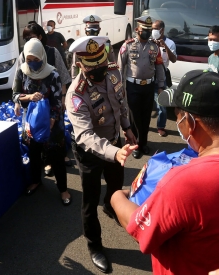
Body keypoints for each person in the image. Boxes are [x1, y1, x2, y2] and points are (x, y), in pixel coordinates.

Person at [111, 70, 219, 275]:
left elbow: (140, 230)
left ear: (190, 122)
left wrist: (118, 196)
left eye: (177, 116)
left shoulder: (185, 183)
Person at [66, 36, 138, 273]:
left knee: (117, 186)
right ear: (80, 65)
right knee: (89, 200)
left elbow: (121, 101)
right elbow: (85, 136)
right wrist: (115, 152)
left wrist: (127, 128)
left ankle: (111, 206)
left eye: (102, 64)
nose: (100, 70)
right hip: (91, 154)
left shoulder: (113, 72)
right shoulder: (76, 94)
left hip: (116, 143)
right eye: (93, 67)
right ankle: (94, 245)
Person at [12, 39, 71, 203]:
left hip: (52, 123)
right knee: (34, 154)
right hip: (31, 122)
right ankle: (36, 181)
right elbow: (15, 94)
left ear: (42, 57)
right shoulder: (22, 72)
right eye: (29, 60)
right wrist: (29, 97)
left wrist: (51, 120)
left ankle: (63, 190)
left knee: (56, 156)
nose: (32, 64)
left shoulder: (53, 75)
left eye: (36, 60)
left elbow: (58, 101)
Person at [17, 23, 72, 169]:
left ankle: (59, 159)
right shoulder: (24, 55)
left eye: (32, 37)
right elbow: (18, 86)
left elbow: (63, 77)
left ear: (40, 37)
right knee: (36, 137)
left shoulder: (53, 53)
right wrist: (20, 101)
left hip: (52, 104)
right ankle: (46, 163)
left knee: (55, 135)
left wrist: (63, 98)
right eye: (26, 38)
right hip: (33, 110)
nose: (29, 41)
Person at [118, 16, 165, 159]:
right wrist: (119, 88)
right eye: (144, 30)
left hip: (149, 86)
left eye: (149, 30)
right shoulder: (127, 45)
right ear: (137, 29)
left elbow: (159, 67)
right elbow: (120, 67)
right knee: (134, 117)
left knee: (145, 117)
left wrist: (161, 85)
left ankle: (143, 143)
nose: (147, 32)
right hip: (133, 86)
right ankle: (135, 145)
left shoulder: (154, 47)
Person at [151, 19, 177, 137]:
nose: (153, 31)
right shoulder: (149, 41)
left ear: (162, 30)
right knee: (146, 104)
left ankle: (161, 127)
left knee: (162, 105)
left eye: (156, 28)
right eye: (152, 28)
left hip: (162, 76)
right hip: (148, 75)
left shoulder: (170, 43)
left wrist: (164, 46)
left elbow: (173, 59)